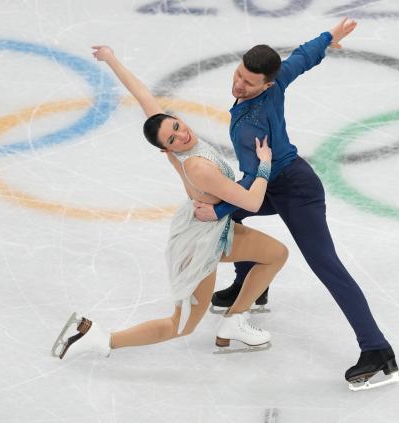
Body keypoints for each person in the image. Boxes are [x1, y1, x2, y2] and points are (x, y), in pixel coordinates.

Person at [193, 18, 399, 389]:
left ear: (267, 85)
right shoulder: (273, 84)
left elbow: (254, 184)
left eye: (249, 82)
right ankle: (252, 282)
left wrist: (221, 207)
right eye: (239, 73)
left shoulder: (254, 123)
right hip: (270, 183)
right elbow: (301, 58)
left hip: (294, 189)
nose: (239, 84)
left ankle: (377, 349)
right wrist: (329, 38)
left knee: (327, 266)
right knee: (225, 217)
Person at [51, 45, 288, 359]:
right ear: (166, 149)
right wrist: (264, 165)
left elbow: (143, 97)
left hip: (213, 229)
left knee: (275, 254)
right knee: (182, 325)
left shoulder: (175, 136)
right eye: (173, 139)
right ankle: (99, 338)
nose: (182, 135)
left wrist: (112, 59)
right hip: (200, 246)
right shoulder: (199, 168)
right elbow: (252, 202)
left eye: (177, 126)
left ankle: (233, 323)